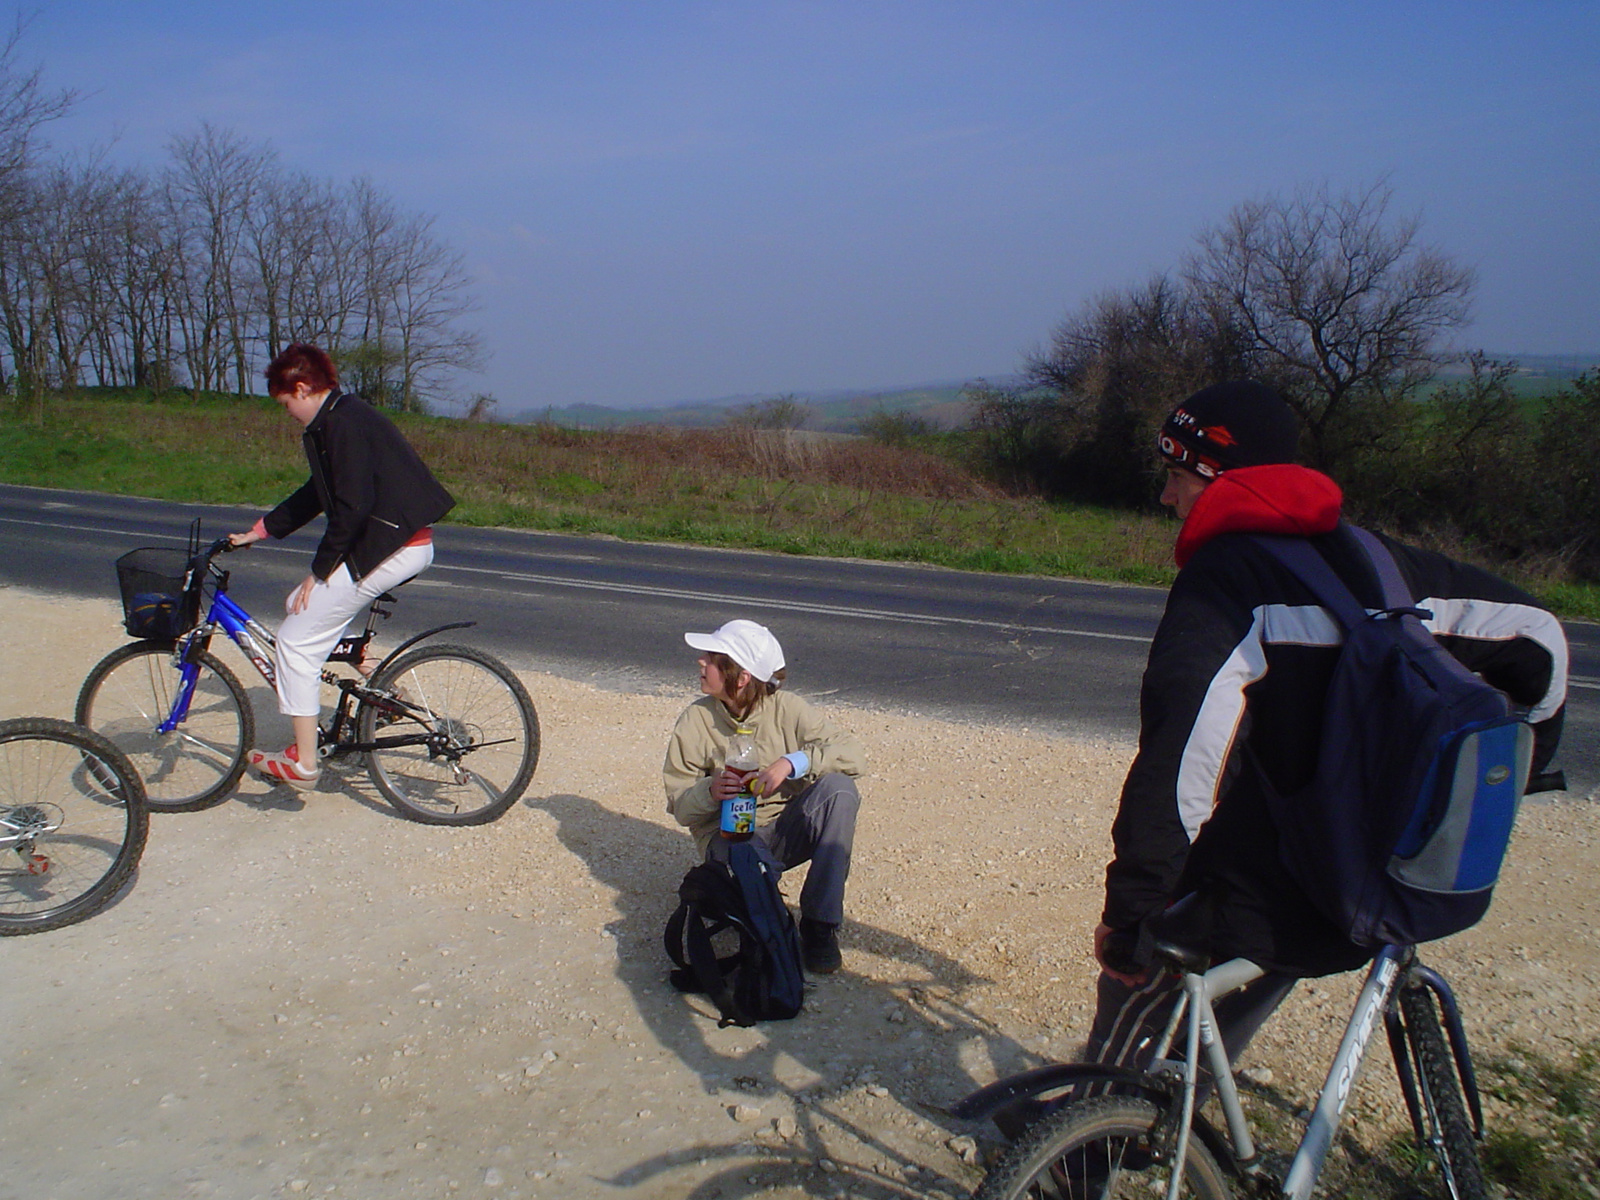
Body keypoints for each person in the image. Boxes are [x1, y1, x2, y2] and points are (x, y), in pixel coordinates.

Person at [1086, 379, 1568, 1077]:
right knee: (1254, 950)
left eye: (1176, 476)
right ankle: (1190, 1082)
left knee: (1170, 949)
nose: (1166, 497)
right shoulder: (1380, 559)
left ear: (1220, 477)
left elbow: (1183, 754)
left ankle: (1102, 1137)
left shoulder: (1227, 579)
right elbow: (1543, 639)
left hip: (1289, 896)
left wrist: (1134, 915)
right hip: (1395, 875)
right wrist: (1525, 770)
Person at [228, 343, 455, 790]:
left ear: (302, 388)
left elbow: (353, 507)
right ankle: (382, 691)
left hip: (392, 544)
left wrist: (318, 573)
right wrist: (260, 531)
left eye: (285, 403)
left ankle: (304, 763)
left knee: (294, 640)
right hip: (398, 540)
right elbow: (317, 493)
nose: (288, 412)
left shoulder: (341, 424)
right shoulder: (341, 416)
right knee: (312, 617)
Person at [663, 619, 865, 974]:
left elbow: (852, 753)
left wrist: (793, 763)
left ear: (740, 677)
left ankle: (819, 926)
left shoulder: (788, 709)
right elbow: (680, 806)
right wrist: (710, 791)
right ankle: (769, 918)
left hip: (783, 831)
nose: (701, 663)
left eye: (711, 657)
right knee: (746, 861)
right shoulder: (695, 720)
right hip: (730, 841)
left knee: (840, 791)